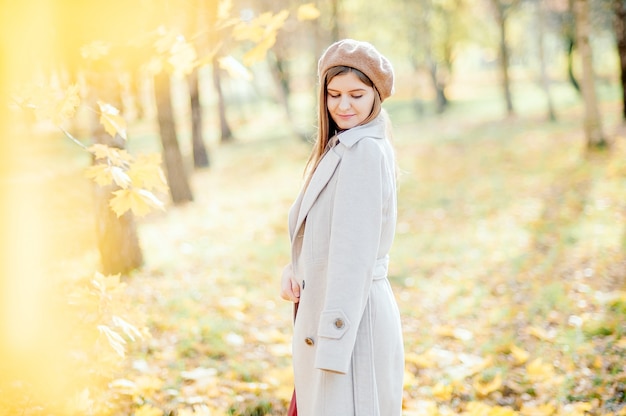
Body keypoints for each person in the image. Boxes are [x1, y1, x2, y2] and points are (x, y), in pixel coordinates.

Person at [280, 39, 404, 415]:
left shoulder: (363, 152)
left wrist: (333, 342)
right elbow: (325, 232)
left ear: (375, 96)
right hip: (331, 313)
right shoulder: (342, 146)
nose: (343, 105)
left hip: (351, 322)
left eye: (356, 94)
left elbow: (353, 256)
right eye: (333, 94)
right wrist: (295, 267)